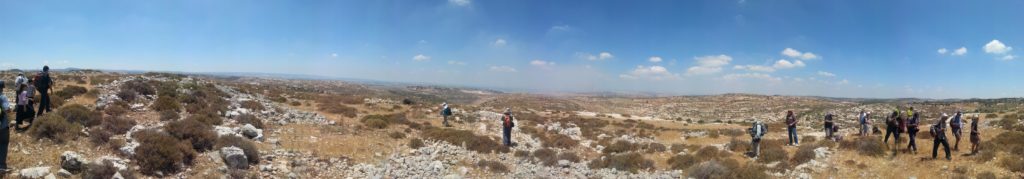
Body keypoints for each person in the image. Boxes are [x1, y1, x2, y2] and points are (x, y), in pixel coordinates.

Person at [0, 80, 12, 171]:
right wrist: (10, 109)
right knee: (3, 144)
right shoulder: (2, 97)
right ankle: (2, 166)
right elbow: (7, 109)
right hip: (2, 126)